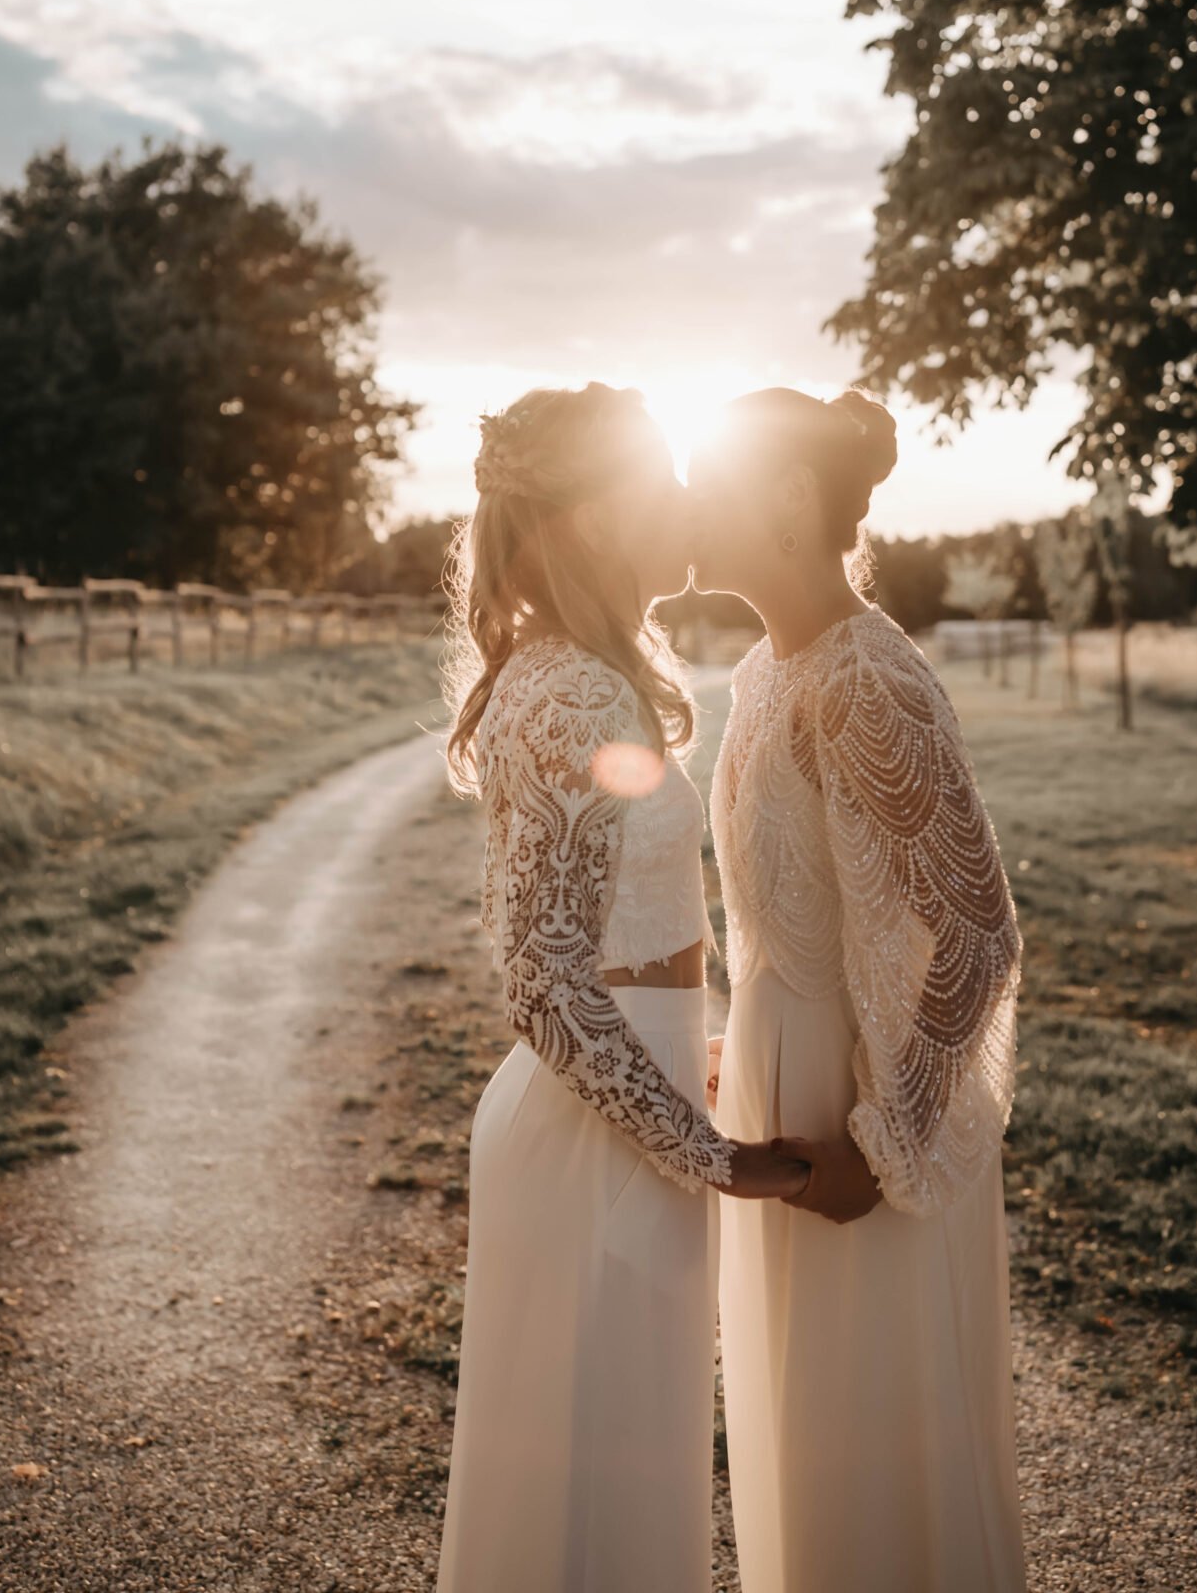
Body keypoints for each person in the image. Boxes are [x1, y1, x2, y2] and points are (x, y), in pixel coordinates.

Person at [436, 380, 807, 1593]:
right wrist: (714, 1153)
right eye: (655, 484)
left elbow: (615, 935)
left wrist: (686, 1041)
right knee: (598, 1487)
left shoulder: (576, 671)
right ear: (592, 520)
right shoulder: (573, 692)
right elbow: (543, 981)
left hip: (624, 1104)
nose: (685, 504)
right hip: (603, 1138)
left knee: (614, 1474)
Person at [690, 385, 1029, 1593]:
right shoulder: (764, 674)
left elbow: (977, 933)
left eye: (708, 475)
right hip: (783, 1082)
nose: (683, 500)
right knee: (802, 1440)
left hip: (858, 1119)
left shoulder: (867, 680)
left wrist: (884, 1144)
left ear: (786, 498)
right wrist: (748, 1031)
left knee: (873, 1457)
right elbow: (796, 914)